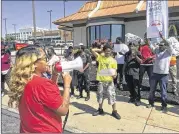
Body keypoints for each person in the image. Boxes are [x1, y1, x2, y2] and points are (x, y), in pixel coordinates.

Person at [8, 45, 72, 133]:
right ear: (34, 63)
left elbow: (48, 97)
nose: (47, 61)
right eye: (44, 58)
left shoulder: (22, 81)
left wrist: (54, 75)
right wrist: (67, 84)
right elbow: (63, 110)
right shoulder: (42, 84)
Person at [90, 43, 121, 120]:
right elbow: (92, 50)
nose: (108, 52)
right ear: (104, 51)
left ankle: (114, 111)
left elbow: (115, 71)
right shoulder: (100, 58)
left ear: (111, 52)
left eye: (109, 51)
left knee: (112, 95)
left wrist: (115, 75)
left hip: (110, 82)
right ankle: (100, 109)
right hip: (101, 81)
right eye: (106, 51)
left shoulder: (113, 61)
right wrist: (100, 50)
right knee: (100, 96)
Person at [147, 32, 175, 111]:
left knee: (163, 91)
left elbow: (169, 44)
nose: (160, 46)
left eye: (162, 45)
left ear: (165, 46)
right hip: (154, 74)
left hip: (164, 75)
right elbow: (150, 45)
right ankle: (151, 103)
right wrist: (148, 38)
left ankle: (164, 105)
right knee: (152, 90)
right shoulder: (156, 50)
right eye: (159, 45)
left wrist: (163, 38)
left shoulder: (168, 52)